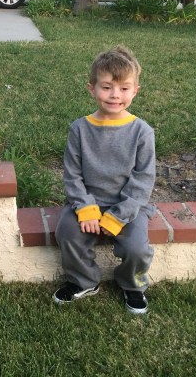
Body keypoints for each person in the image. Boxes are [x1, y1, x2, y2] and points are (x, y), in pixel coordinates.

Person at [53, 45, 156, 314]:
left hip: (129, 206)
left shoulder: (142, 132)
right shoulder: (80, 128)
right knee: (67, 233)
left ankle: (133, 285)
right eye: (107, 87)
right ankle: (83, 280)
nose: (115, 95)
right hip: (87, 201)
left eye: (124, 88)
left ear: (135, 91)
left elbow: (143, 180)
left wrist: (119, 216)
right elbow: (72, 174)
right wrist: (85, 208)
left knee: (136, 248)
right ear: (92, 88)